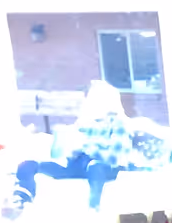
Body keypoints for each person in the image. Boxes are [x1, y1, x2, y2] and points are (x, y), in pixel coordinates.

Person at [14, 80, 130, 211]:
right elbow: (63, 153)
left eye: (95, 98)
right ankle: (21, 200)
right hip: (78, 165)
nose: (90, 101)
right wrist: (71, 150)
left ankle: (94, 207)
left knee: (94, 166)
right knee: (28, 164)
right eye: (90, 98)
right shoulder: (85, 122)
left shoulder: (119, 123)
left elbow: (114, 158)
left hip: (105, 168)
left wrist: (88, 149)